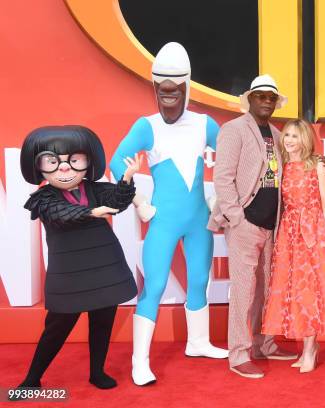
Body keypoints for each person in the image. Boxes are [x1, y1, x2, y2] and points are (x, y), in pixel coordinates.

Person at [110, 42, 227, 386]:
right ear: (154, 89)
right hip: (162, 219)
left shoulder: (205, 123)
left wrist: (219, 195)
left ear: (187, 87)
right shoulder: (146, 126)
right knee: (156, 285)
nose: (168, 99)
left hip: (197, 220)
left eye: (175, 91)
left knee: (199, 281)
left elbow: (232, 159)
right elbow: (117, 161)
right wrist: (138, 199)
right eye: (163, 92)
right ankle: (139, 361)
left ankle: (198, 342)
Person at [16, 125, 138, 391]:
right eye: (52, 161)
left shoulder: (95, 189)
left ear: (87, 161)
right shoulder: (44, 198)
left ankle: (97, 372)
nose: (64, 168)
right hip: (69, 274)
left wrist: (127, 178)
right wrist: (93, 213)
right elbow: (62, 213)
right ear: (38, 165)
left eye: (73, 160)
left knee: (103, 323)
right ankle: (31, 380)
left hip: (105, 265)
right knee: (56, 328)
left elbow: (118, 200)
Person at [209, 74, 298, 379]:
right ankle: (238, 354)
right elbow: (222, 177)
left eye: (271, 97)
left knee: (268, 291)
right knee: (244, 292)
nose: (266, 101)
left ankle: (265, 344)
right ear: (250, 99)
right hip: (245, 224)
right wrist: (236, 218)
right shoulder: (234, 130)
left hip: (272, 225)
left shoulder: (276, 133)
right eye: (260, 96)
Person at [261, 119, 325, 373]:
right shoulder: (282, 166)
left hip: (313, 233)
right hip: (289, 234)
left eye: (295, 136)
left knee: (311, 291)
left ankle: (310, 349)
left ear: (305, 139)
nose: (289, 140)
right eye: (286, 135)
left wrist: (323, 236)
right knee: (294, 291)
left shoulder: (317, 165)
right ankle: (306, 348)